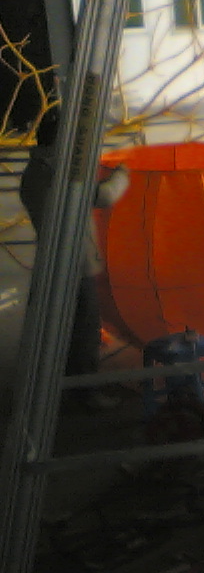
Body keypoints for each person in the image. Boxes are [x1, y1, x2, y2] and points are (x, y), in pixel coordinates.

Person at [19, 109, 130, 408]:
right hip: (73, 265)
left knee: (67, 329)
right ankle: (85, 394)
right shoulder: (56, 174)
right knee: (84, 330)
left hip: (59, 262)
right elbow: (105, 196)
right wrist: (123, 174)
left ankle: (67, 388)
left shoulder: (37, 172)